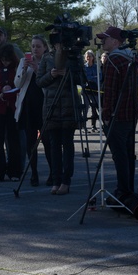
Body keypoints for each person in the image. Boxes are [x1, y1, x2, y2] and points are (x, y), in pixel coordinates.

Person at [98, 26, 138, 200]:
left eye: (105, 39)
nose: (102, 41)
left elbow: (110, 91)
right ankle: (127, 188)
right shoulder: (131, 58)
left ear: (115, 42)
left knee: (119, 155)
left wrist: (106, 115)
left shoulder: (113, 60)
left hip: (117, 116)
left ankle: (123, 190)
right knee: (128, 154)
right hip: (130, 114)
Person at [38, 44, 82, 195]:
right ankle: (56, 180)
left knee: (67, 144)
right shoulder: (46, 57)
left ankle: (66, 180)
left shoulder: (74, 55)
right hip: (51, 106)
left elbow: (82, 78)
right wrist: (52, 74)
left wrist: (67, 74)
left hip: (69, 105)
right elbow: (39, 81)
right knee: (54, 145)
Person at [15, 36, 50, 186]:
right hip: (28, 106)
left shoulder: (48, 61)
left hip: (43, 105)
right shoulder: (24, 61)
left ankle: (53, 173)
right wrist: (24, 70)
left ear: (44, 48)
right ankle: (33, 173)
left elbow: (50, 85)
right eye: (33, 46)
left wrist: (37, 69)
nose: (35, 49)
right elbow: (17, 83)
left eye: (38, 46)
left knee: (48, 141)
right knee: (30, 142)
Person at [0, 44, 22, 181]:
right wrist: (0, 89)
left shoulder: (17, 66)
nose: (6, 62)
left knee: (13, 140)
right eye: (3, 60)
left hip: (12, 107)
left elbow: (20, 84)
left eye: (8, 60)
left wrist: (11, 89)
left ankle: (15, 171)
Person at [82, 49, 100, 131]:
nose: (88, 58)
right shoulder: (83, 67)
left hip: (94, 89)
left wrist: (91, 78)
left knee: (95, 107)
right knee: (85, 107)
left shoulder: (96, 67)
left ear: (93, 57)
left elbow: (100, 77)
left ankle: (94, 125)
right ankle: (84, 125)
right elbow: (84, 78)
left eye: (90, 56)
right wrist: (93, 78)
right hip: (86, 90)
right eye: (87, 56)